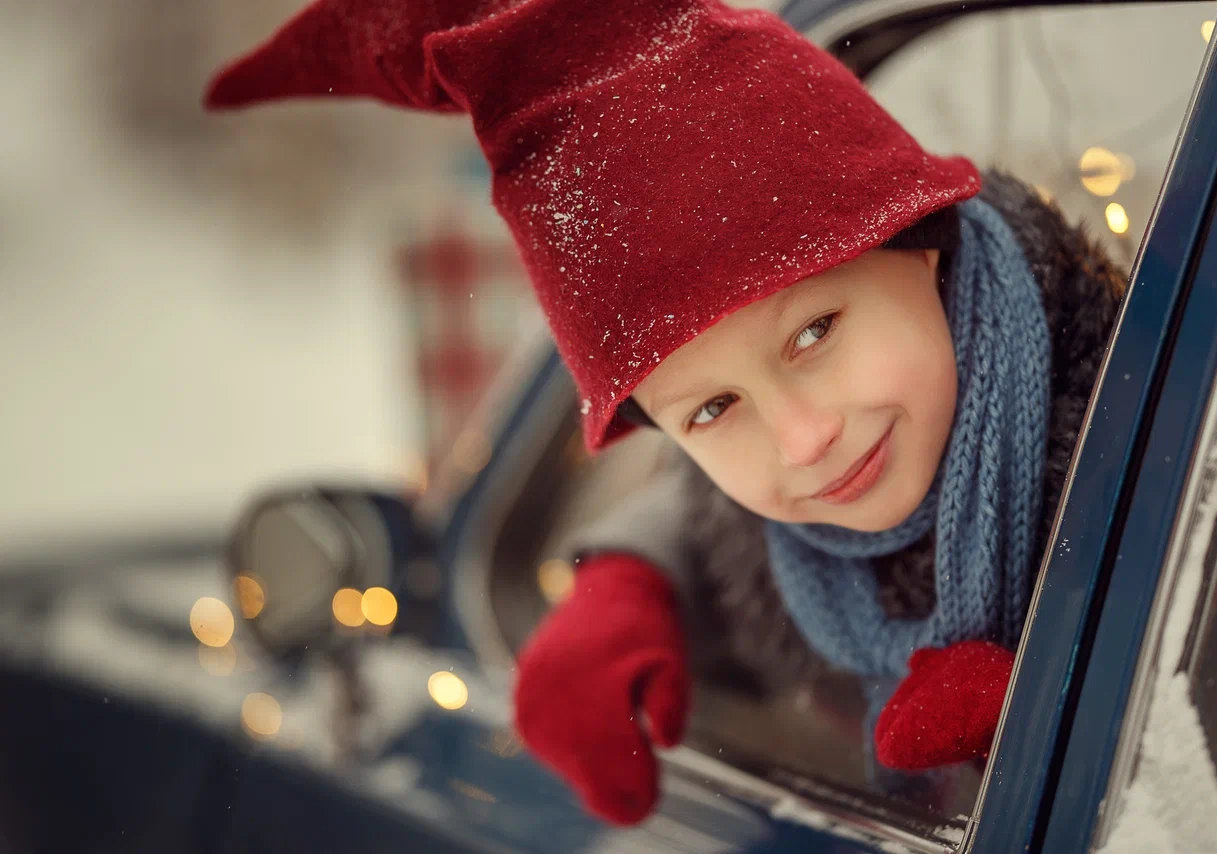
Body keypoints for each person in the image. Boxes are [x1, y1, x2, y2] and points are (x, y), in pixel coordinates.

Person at [204, 0, 1125, 827]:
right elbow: (719, 519)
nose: (804, 440)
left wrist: (1076, 693)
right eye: (713, 407)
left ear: (920, 241)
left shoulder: (1167, 423)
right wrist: (632, 583)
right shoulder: (781, 546)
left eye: (814, 332)